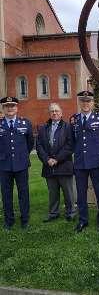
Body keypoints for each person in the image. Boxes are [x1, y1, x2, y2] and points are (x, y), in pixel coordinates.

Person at [70, 91, 99, 233]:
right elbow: (72, 141)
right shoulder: (73, 119)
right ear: (79, 103)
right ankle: (83, 220)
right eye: (83, 101)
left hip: (96, 163)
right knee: (81, 194)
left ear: (92, 103)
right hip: (80, 163)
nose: (85, 104)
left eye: (88, 101)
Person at [36, 103, 76, 222]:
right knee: (53, 192)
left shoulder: (68, 127)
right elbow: (39, 146)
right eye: (52, 111)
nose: (54, 113)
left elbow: (70, 146)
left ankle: (71, 212)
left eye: (57, 111)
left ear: (61, 113)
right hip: (49, 166)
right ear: (49, 113)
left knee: (68, 192)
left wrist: (57, 159)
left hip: (64, 165)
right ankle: (53, 213)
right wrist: (47, 159)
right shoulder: (43, 128)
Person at [0, 96, 34, 229]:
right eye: (7, 106)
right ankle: (9, 221)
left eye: (13, 106)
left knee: (23, 193)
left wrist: (22, 155)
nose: (10, 108)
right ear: (3, 108)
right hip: (4, 165)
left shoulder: (25, 123)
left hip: (21, 164)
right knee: (6, 194)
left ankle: (25, 219)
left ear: (17, 108)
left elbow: (30, 143)